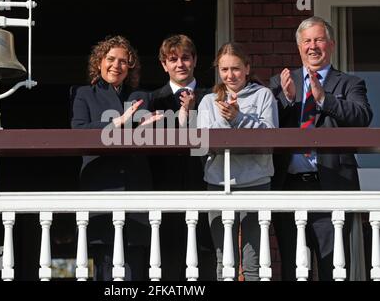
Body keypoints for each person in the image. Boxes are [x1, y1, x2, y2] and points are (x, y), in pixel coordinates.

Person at [269, 16, 373, 281]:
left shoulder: (350, 83)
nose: (313, 46)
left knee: (334, 270)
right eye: (307, 41)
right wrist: (288, 99)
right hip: (289, 186)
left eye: (319, 39)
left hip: (332, 185)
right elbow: (265, 124)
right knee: (293, 270)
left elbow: (362, 116)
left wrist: (324, 99)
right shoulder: (281, 82)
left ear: (332, 44)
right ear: (299, 47)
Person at [71, 35, 161, 280]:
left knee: (134, 266)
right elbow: (78, 132)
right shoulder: (84, 94)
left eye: (123, 61)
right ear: (99, 62)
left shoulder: (141, 96)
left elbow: (145, 137)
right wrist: (117, 122)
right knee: (105, 266)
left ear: (130, 66)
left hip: (136, 188)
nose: (116, 65)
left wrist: (148, 129)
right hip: (100, 186)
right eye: (110, 59)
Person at [197, 42, 278, 281]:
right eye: (224, 70)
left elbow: (271, 134)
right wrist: (228, 121)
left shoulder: (263, 95)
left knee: (253, 263)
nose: (230, 75)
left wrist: (239, 117)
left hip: (256, 182)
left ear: (247, 69)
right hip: (218, 183)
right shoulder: (208, 102)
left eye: (235, 68)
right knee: (225, 262)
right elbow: (202, 141)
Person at [149, 34, 215, 280]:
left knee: (207, 268)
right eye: (173, 59)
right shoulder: (153, 99)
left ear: (195, 60)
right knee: (166, 270)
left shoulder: (211, 97)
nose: (180, 64)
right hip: (165, 196)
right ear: (164, 64)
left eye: (185, 58)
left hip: (206, 191)